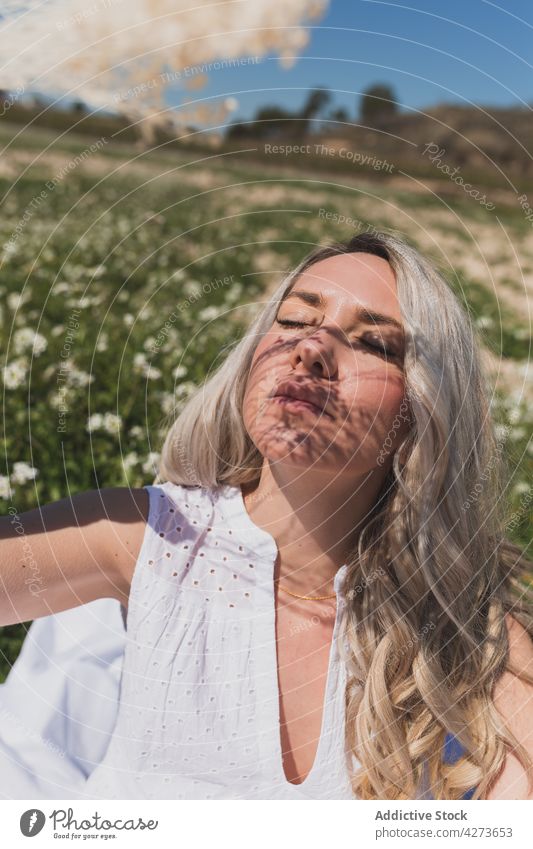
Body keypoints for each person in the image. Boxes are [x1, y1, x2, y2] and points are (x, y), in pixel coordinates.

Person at [1, 230, 532, 800]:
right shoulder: (147, 536)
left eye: (374, 343)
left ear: (420, 413)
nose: (313, 349)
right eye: (295, 321)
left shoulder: (471, 634)